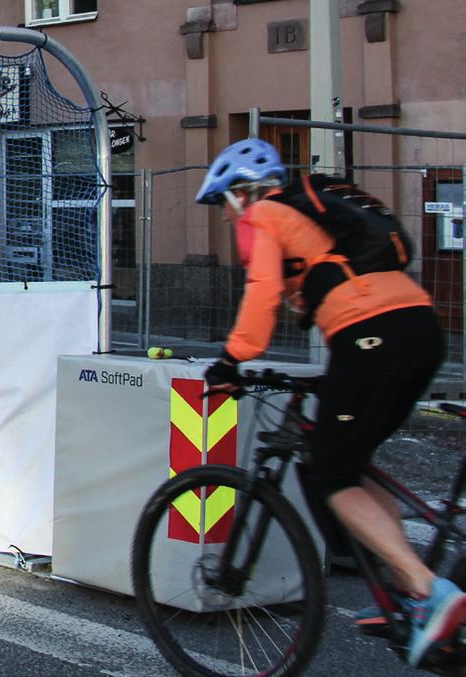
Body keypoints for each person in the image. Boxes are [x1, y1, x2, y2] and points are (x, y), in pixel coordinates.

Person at [196, 138, 464, 668]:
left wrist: (231, 362)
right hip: (418, 328)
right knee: (351, 461)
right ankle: (407, 591)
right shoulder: (316, 214)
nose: (230, 220)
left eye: (227, 204)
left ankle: (429, 591)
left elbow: (263, 290)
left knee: (329, 476)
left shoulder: (266, 213)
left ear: (242, 195)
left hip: (369, 333)